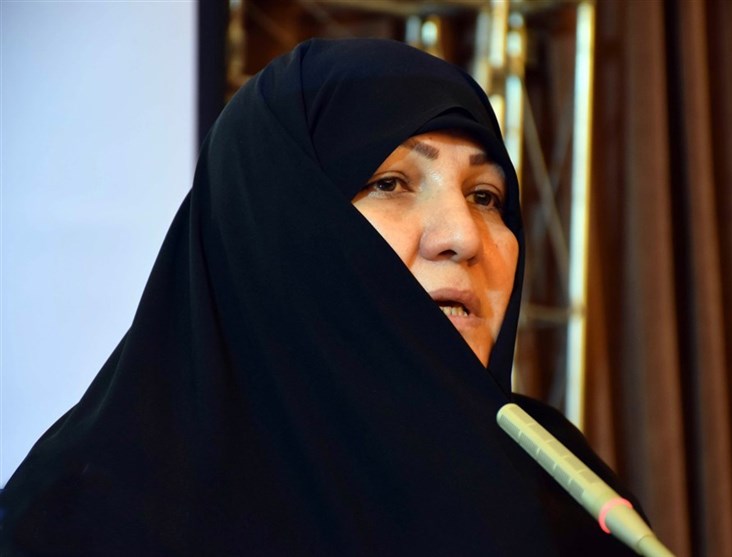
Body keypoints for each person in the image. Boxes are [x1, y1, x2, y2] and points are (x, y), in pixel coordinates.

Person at [1, 38, 644, 555]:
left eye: (486, 196)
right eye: (390, 183)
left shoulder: (561, 494)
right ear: (279, 228)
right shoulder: (83, 519)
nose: (463, 237)